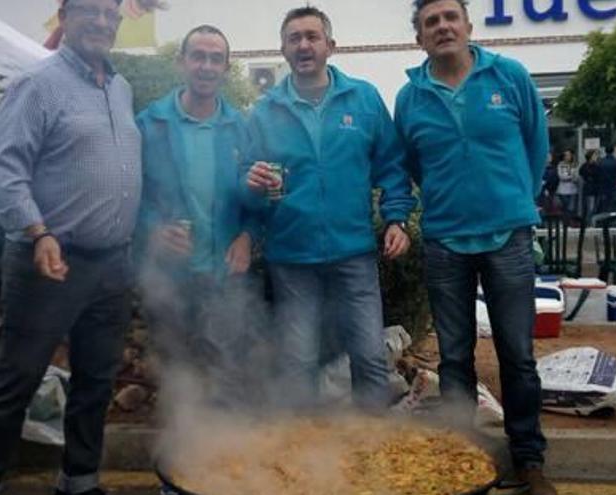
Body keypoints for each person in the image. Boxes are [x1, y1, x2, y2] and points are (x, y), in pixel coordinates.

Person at [0, 1, 141, 494]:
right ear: (64, 13)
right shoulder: (37, 84)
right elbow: (5, 168)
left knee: (96, 382)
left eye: (111, 13)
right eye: (90, 10)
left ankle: (79, 480)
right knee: (16, 383)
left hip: (112, 264)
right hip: (50, 261)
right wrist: (38, 232)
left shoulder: (120, 88)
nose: (102, 22)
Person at [394, 1, 555, 493]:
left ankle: (529, 459)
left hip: (508, 236)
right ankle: (463, 459)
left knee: (517, 354)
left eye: (450, 17)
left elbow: (537, 146)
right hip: (445, 242)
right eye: (430, 22)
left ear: (468, 26)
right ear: (420, 37)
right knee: (455, 357)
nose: (442, 27)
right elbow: (412, 165)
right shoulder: (410, 97)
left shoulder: (509, 77)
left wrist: (515, 200)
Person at [244, 6, 416, 411]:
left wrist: (397, 219)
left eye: (312, 36)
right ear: (283, 50)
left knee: (370, 358)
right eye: (294, 38)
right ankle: (309, 455)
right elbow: (245, 182)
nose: (303, 45)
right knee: (299, 360)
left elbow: (392, 166)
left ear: (330, 46)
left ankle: (371, 451)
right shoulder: (265, 111)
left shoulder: (364, 98)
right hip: (291, 257)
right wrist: (249, 183)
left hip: (353, 253)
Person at [134, 25, 262, 409]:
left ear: (225, 67)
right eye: (198, 56)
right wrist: (151, 230)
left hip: (224, 275)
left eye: (215, 58)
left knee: (228, 374)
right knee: (177, 377)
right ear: (182, 63)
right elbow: (130, 195)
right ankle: (181, 453)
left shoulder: (242, 127)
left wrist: (248, 236)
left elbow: (257, 199)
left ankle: (224, 459)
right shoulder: (150, 124)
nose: (206, 66)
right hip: (170, 279)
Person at [597, 145, 616, 217]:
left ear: (605, 151)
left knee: (604, 206)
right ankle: (613, 221)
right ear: (613, 151)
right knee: (614, 206)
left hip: (603, 187)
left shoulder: (601, 162)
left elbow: (598, 173)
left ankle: (604, 221)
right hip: (614, 186)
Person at [579, 149, 603, 219]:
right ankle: (589, 222)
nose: (596, 157)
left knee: (592, 207)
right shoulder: (590, 166)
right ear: (591, 157)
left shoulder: (586, 166)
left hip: (593, 189)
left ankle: (590, 221)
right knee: (591, 208)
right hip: (591, 190)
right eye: (595, 155)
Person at [556, 150, 579, 217]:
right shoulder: (561, 165)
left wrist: (571, 177)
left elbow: (576, 177)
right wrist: (571, 177)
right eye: (566, 155)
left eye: (569, 155)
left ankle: (570, 222)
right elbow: (561, 176)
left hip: (573, 190)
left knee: (571, 208)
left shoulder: (574, 165)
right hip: (563, 190)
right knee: (565, 207)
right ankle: (566, 222)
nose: (567, 156)